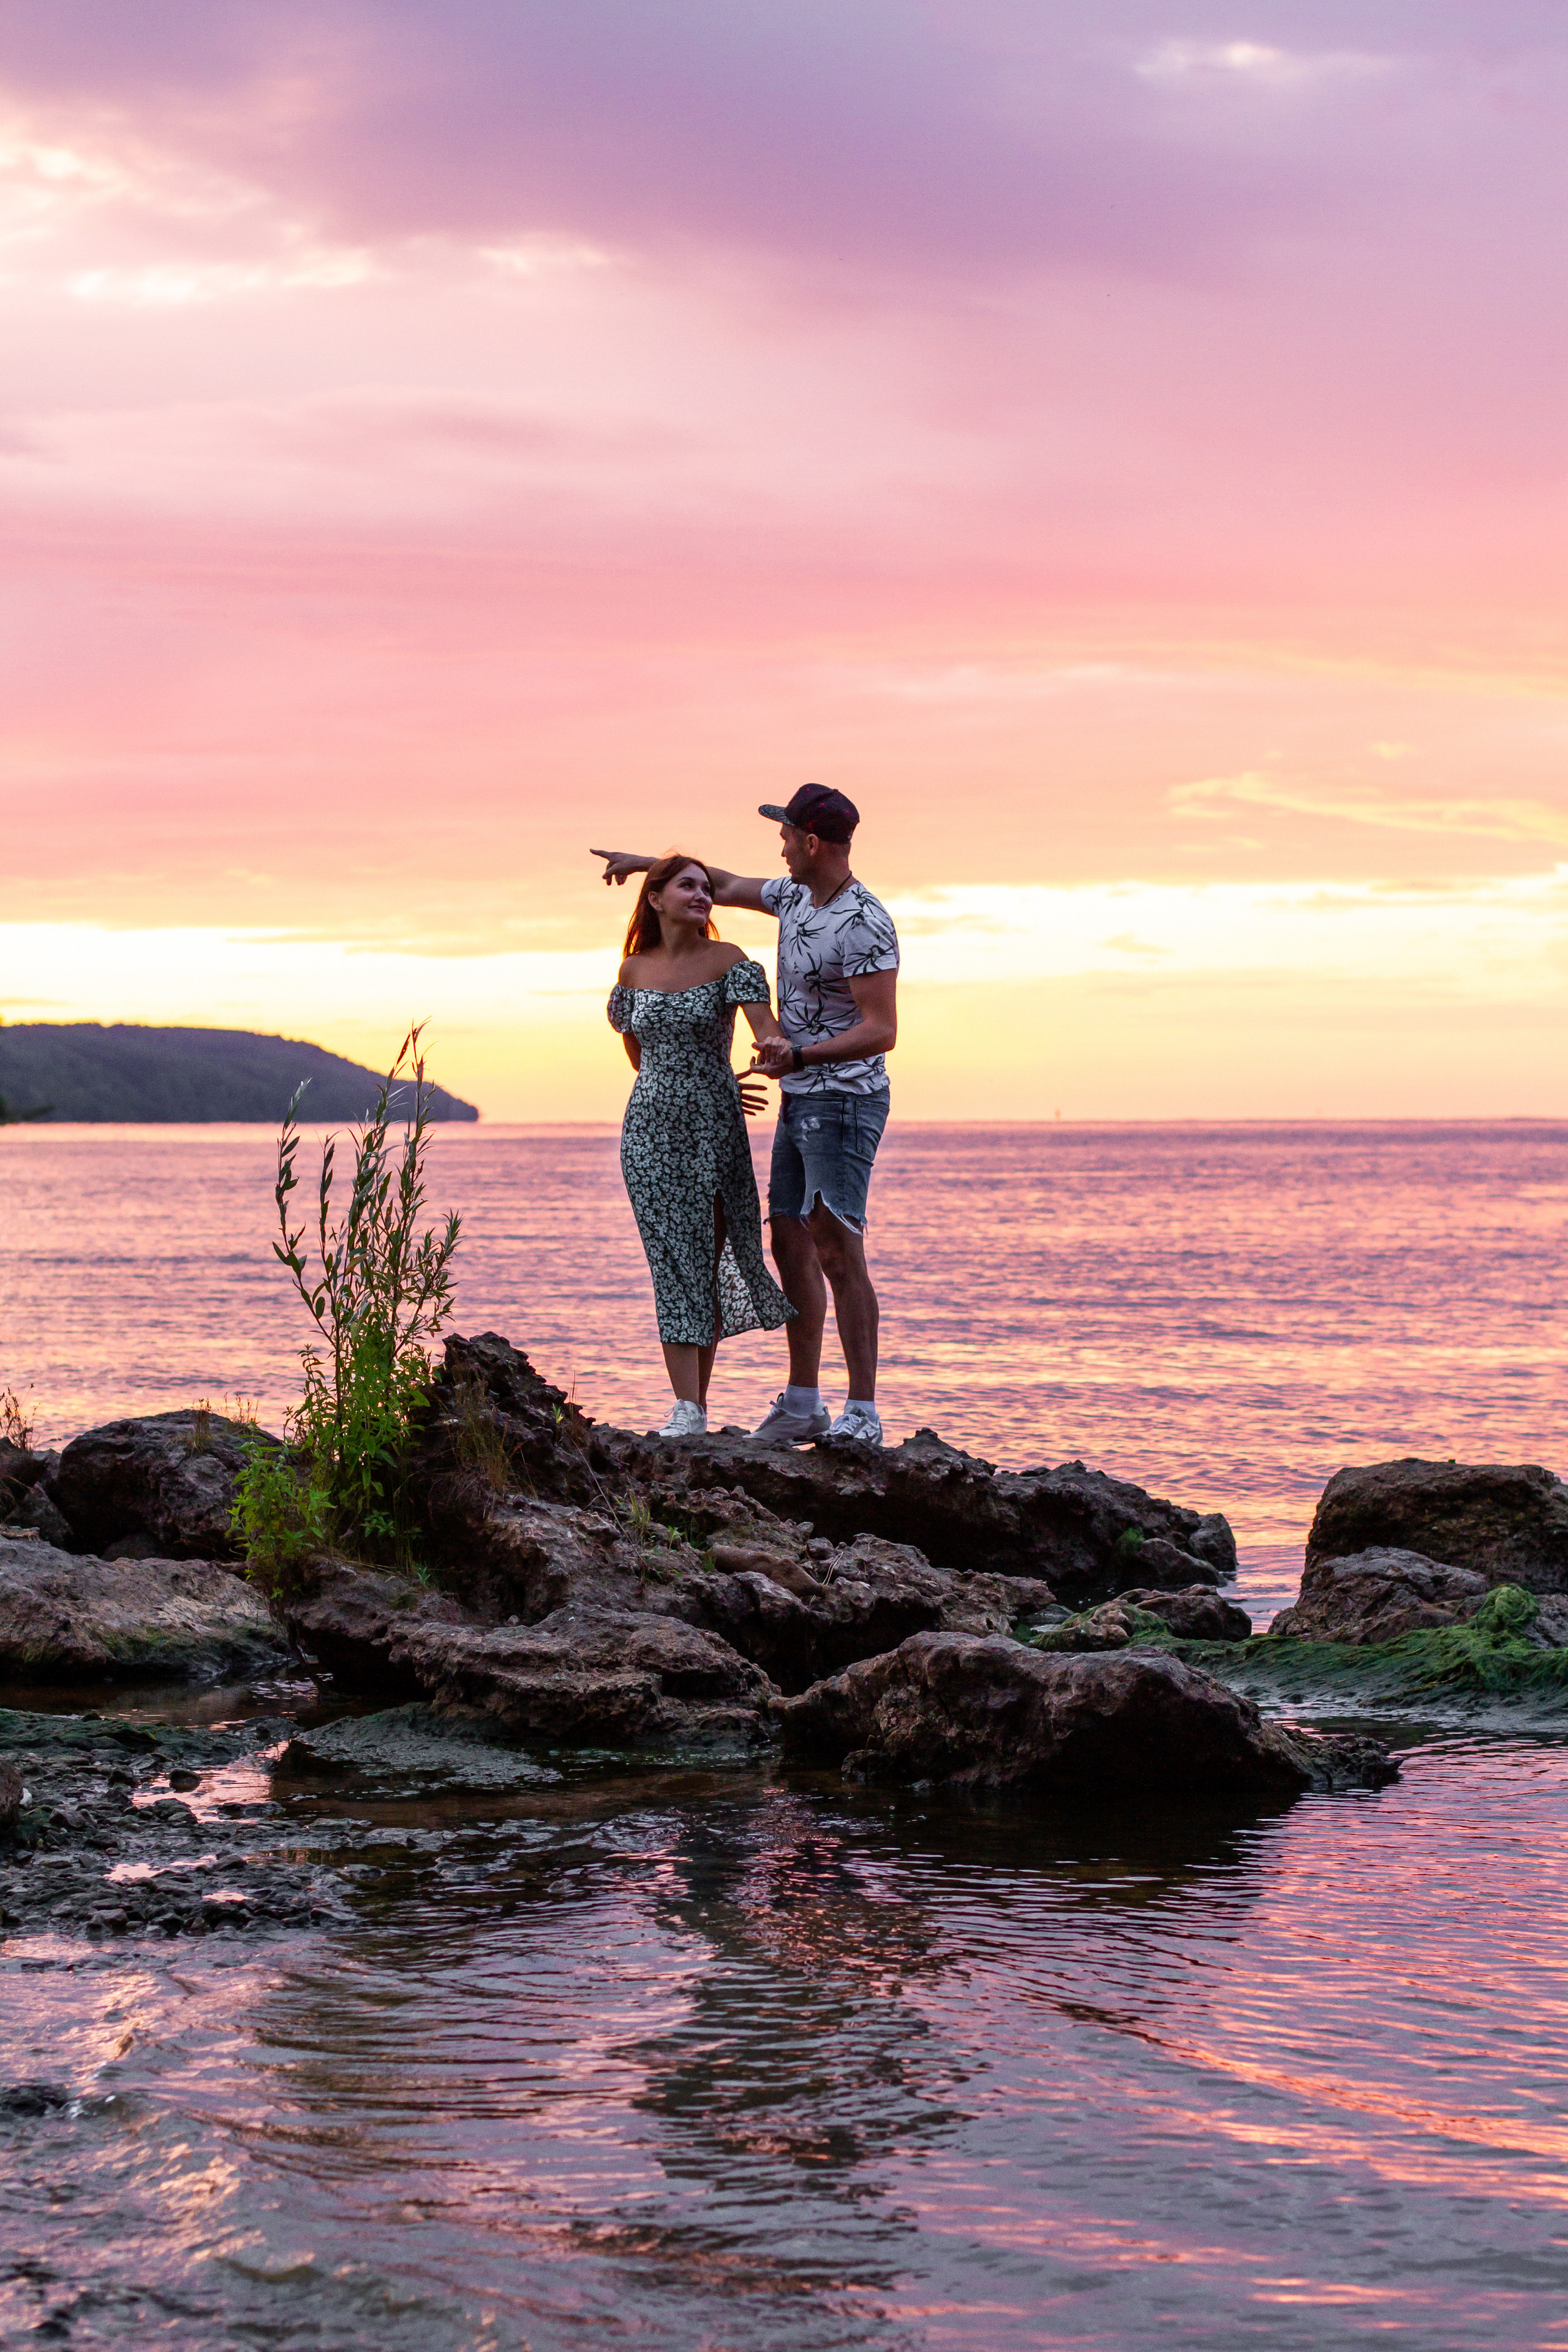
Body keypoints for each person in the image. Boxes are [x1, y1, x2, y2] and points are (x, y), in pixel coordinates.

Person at [592, 783, 899, 1447]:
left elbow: (882, 1030)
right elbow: (716, 883)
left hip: (844, 1098)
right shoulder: (791, 896)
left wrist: (799, 1053)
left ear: (811, 842)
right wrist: (641, 861)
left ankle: (862, 1412)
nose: (780, 846)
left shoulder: (864, 920)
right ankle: (802, 1401)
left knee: (837, 1248)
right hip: (799, 1095)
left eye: (787, 835)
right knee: (789, 1242)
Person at [606, 851, 794, 1439]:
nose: (701, 894)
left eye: (707, 887)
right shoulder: (633, 971)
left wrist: (760, 1058)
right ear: (656, 898)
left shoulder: (730, 961)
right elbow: (640, 1054)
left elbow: (765, 1031)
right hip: (648, 1133)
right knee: (672, 1263)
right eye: (687, 886)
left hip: (714, 1135)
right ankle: (685, 1408)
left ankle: (695, 1407)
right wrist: (684, 1081)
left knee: (706, 1263)